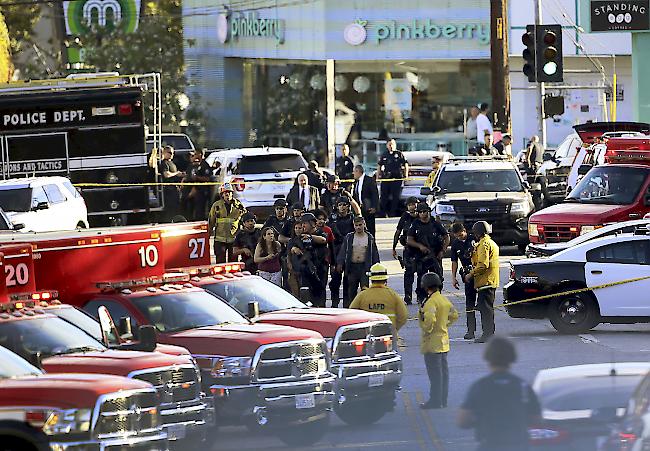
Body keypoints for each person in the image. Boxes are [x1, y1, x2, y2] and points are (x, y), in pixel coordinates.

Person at [457, 336, 542, 451]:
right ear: (511, 357)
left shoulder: (480, 386)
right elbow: (536, 418)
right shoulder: (522, 386)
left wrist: (478, 421)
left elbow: (463, 421)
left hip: (490, 444)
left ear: (488, 357)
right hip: (518, 445)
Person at [418, 272, 459, 410]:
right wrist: (444, 325)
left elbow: (429, 320)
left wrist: (426, 329)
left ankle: (435, 400)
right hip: (444, 342)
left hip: (432, 343)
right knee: (443, 373)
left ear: (425, 286)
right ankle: (443, 400)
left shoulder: (430, 302)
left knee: (434, 374)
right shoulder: (443, 299)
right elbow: (454, 315)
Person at [464, 221, 499, 343]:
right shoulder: (489, 242)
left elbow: (483, 264)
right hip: (489, 280)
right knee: (486, 309)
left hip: (486, 281)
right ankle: (489, 332)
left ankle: (487, 334)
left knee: (485, 310)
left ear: (477, 233)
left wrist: (470, 274)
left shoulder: (484, 244)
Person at [406, 203, 450, 303]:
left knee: (438, 276)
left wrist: (443, 250)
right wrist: (420, 246)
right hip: (421, 256)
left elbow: (446, 237)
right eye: (420, 212)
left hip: (435, 254)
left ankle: (437, 295)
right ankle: (421, 297)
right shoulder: (415, 224)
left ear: (428, 211)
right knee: (421, 276)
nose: (422, 214)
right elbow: (409, 239)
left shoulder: (435, 223)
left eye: (424, 211)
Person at [349, 263, 408, 332]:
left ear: (371, 279)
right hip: (389, 334)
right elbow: (403, 316)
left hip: (368, 333)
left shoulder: (362, 295)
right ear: (385, 279)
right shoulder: (393, 295)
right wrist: (394, 329)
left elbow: (351, 314)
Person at [336, 216, 380, 306]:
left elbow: (374, 253)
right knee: (351, 290)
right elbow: (343, 251)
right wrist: (340, 263)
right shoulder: (349, 237)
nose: (358, 227)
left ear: (364, 224)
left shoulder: (369, 238)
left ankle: (364, 307)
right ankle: (352, 308)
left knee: (365, 289)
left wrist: (377, 267)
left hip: (364, 267)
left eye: (360, 225)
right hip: (352, 267)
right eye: (356, 225)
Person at [288, 213, 328, 306]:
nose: (303, 226)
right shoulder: (300, 236)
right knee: (306, 295)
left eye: (305, 223)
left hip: (320, 269)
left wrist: (310, 237)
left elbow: (323, 240)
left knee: (320, 295)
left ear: (312, 223)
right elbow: (292, 245)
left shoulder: (320, 232)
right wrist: (293, 249)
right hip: (305, 270)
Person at [450, 222, 478, 340]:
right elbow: (454, 261)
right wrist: (453, 277)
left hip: (478, 272)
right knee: (469, 304)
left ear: (465, 231)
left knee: (483, 303)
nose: (459, 237)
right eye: (457, 236)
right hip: (467, 276)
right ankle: (470, 330)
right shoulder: (455, 244)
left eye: (461, 235)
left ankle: (488, 331)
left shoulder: (473, 238)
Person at [208, 183, 246, 263]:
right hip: (220, 239)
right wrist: (208, 233)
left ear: (232, 193)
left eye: (229, 192)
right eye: (225, 192)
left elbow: (245, 218)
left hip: (234, 239)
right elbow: (211, 220)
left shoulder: (238, 205)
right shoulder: (216, 206)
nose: (227, 194)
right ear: (222, 194)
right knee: (220, 263)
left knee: (233, 263)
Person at [329, 196, 356, 307]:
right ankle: (335, 302)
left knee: (348, 281)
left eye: (344, 204)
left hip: (349, 251)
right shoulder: (332, 218)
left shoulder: (353, 218)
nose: (342, 207)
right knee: (335, 281)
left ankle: (347, 304)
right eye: (340, 205)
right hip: (335, 251)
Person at [393, 196, 419, 304]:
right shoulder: (405, 217)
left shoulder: (422, 216)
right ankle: (408, 295)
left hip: (420, 249)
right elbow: (398, 232)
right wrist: (393, 247)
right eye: (410, 204)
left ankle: (420, 295)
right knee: (409, 272)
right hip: (408, 249)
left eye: (414, 204)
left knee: (422, 272)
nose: (413, 206)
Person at [377, 139, 408, 217]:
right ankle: (382, 213)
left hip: (396, 179)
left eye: (392, 144)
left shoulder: (399, 154)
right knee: (384, 197)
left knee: (395, 197)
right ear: (387, 145)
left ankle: (392, 213)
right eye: (389, 144)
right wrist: (378, 176)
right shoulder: (384, 154)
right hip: (386, 178)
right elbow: (379, 165)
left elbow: (405, 164)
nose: (391, 146)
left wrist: (405, 175)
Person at [182, 149, 212, 220]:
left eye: (196, 154)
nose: (194, 156)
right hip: (191, 191)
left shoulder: (205, 165)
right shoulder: (195, 165)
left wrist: (197, 177)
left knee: (200, 211)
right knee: (190, 209)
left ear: (200, 154)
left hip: (201, 191)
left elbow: (207, 178)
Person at [159, 146, 185, 222]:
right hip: (169, 190)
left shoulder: (172, 163)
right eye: (170, 152)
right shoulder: (164, 163)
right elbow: (166, 174)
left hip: (175, 189)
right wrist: (176, 173)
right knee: (170, 210)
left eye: (173, 153)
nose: (172, 154)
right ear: (164, 153)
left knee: (176, 209)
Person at [352, 164, 379, 236]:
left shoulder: (369, 180)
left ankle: (372, 244)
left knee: (370, 229)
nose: (353, 173)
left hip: (369, 209)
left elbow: (375, 194)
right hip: (360, 210)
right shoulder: (356, 182)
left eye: (354, 171)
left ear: (358, 171)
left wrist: (374, 207)